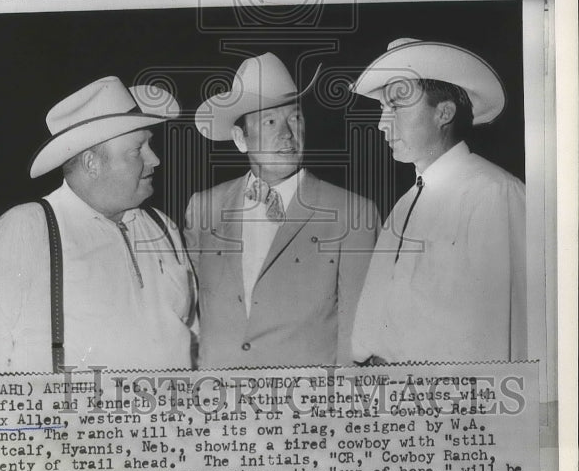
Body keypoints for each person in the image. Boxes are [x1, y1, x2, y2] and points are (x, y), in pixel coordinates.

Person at [184, 53, 378, 368]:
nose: (287, 133)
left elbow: (356, 338)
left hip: (305, 408)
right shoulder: (204, 207)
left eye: (295, 118)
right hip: (218, 403)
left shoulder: (352, 213)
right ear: (240, 139)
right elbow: (186, 312)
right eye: (271, 121)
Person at [0, 76, 196, 372]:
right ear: (91, 163)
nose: (155, 160)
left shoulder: (162, 227)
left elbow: (191, 335)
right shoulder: (27, 229)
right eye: (138, 150)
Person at [350, 38, 527, 364]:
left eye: (397, 107)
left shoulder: (493, 194)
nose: (380, 123)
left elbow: (504, 333)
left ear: (443, 113)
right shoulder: (405, 204)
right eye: (382, 108)